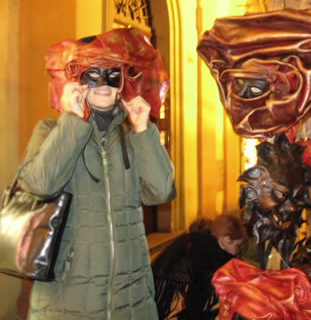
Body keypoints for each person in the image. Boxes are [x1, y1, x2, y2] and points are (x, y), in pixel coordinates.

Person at [17, 28, 176, 319]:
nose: (103, 83)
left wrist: (143, 129)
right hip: (67, 302)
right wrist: (72, 120)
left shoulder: (133, 138)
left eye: (112, 73)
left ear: (122, 84)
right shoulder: (52, 132)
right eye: (93, 74)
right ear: (77, 82)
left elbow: (161, 191)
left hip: (132, 300)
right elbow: (40, 184)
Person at [152, 213, 247, 320]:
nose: (237, 252)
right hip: (167, 308)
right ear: (225, 241)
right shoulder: (208, 253)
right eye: (238, 246)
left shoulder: (198, 241)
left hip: (158, 302)